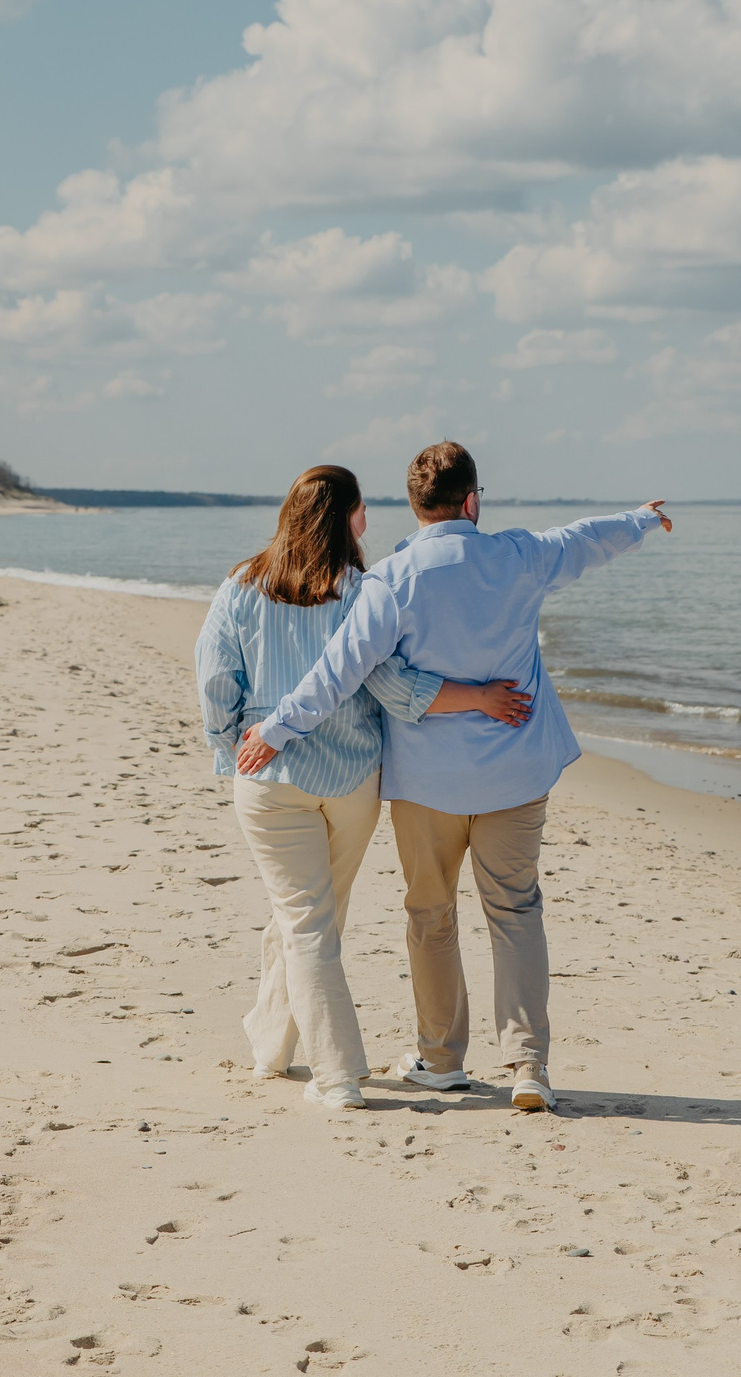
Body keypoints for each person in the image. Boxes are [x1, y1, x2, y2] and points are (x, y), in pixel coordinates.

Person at [235, 442, 670, 1113]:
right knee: (516, 910)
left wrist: (276, 728)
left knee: (430, 914)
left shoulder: (390, 580)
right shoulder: (519, 556)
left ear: (414, 507)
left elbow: (338, 670)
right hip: (515, 775)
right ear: (472, 501)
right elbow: (585, 541)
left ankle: (440, 1058)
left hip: (428, 783)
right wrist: (641, 518)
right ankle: (528, 1065)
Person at [197, 465, 534, 1112]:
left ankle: (334, 1076)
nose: (369, 522)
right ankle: (287, 1051)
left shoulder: (241, 584)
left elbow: (213, 678)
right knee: (312, 919)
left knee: (304, 920)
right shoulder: (362, 592)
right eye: (361, 510)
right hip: (352, 780)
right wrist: (480, 700)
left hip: (268, 777)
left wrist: (229, 748)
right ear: (343, 518)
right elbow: (395, 686)